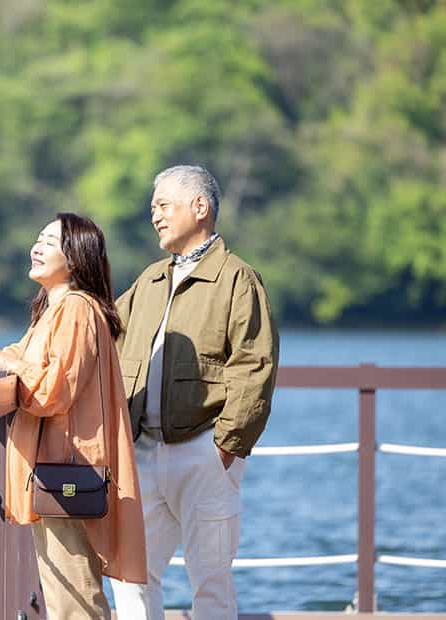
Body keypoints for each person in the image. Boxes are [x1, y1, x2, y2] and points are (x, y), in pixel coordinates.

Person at [108, 165, 280, 619]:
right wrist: (20, 356)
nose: (155, 217)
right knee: (130, 574)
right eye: (153, 209)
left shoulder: (238, 280)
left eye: (163, 205)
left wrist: (225, 448)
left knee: (211, 580)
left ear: (199, 207)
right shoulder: (149, 280)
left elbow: (254, 367)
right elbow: (99, 332)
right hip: (144, 450)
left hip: (205, 449)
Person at [0, 212, 147, 619]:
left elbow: (53, 390)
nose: (37, 246)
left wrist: (5, 363)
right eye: (38, 238)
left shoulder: (77, 309)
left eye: (49, 241)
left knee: (75, 604)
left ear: (76, 257)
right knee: (67, 597)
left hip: (68, 472)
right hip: (59, 470)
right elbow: (29, 358)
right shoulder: (54, 308)